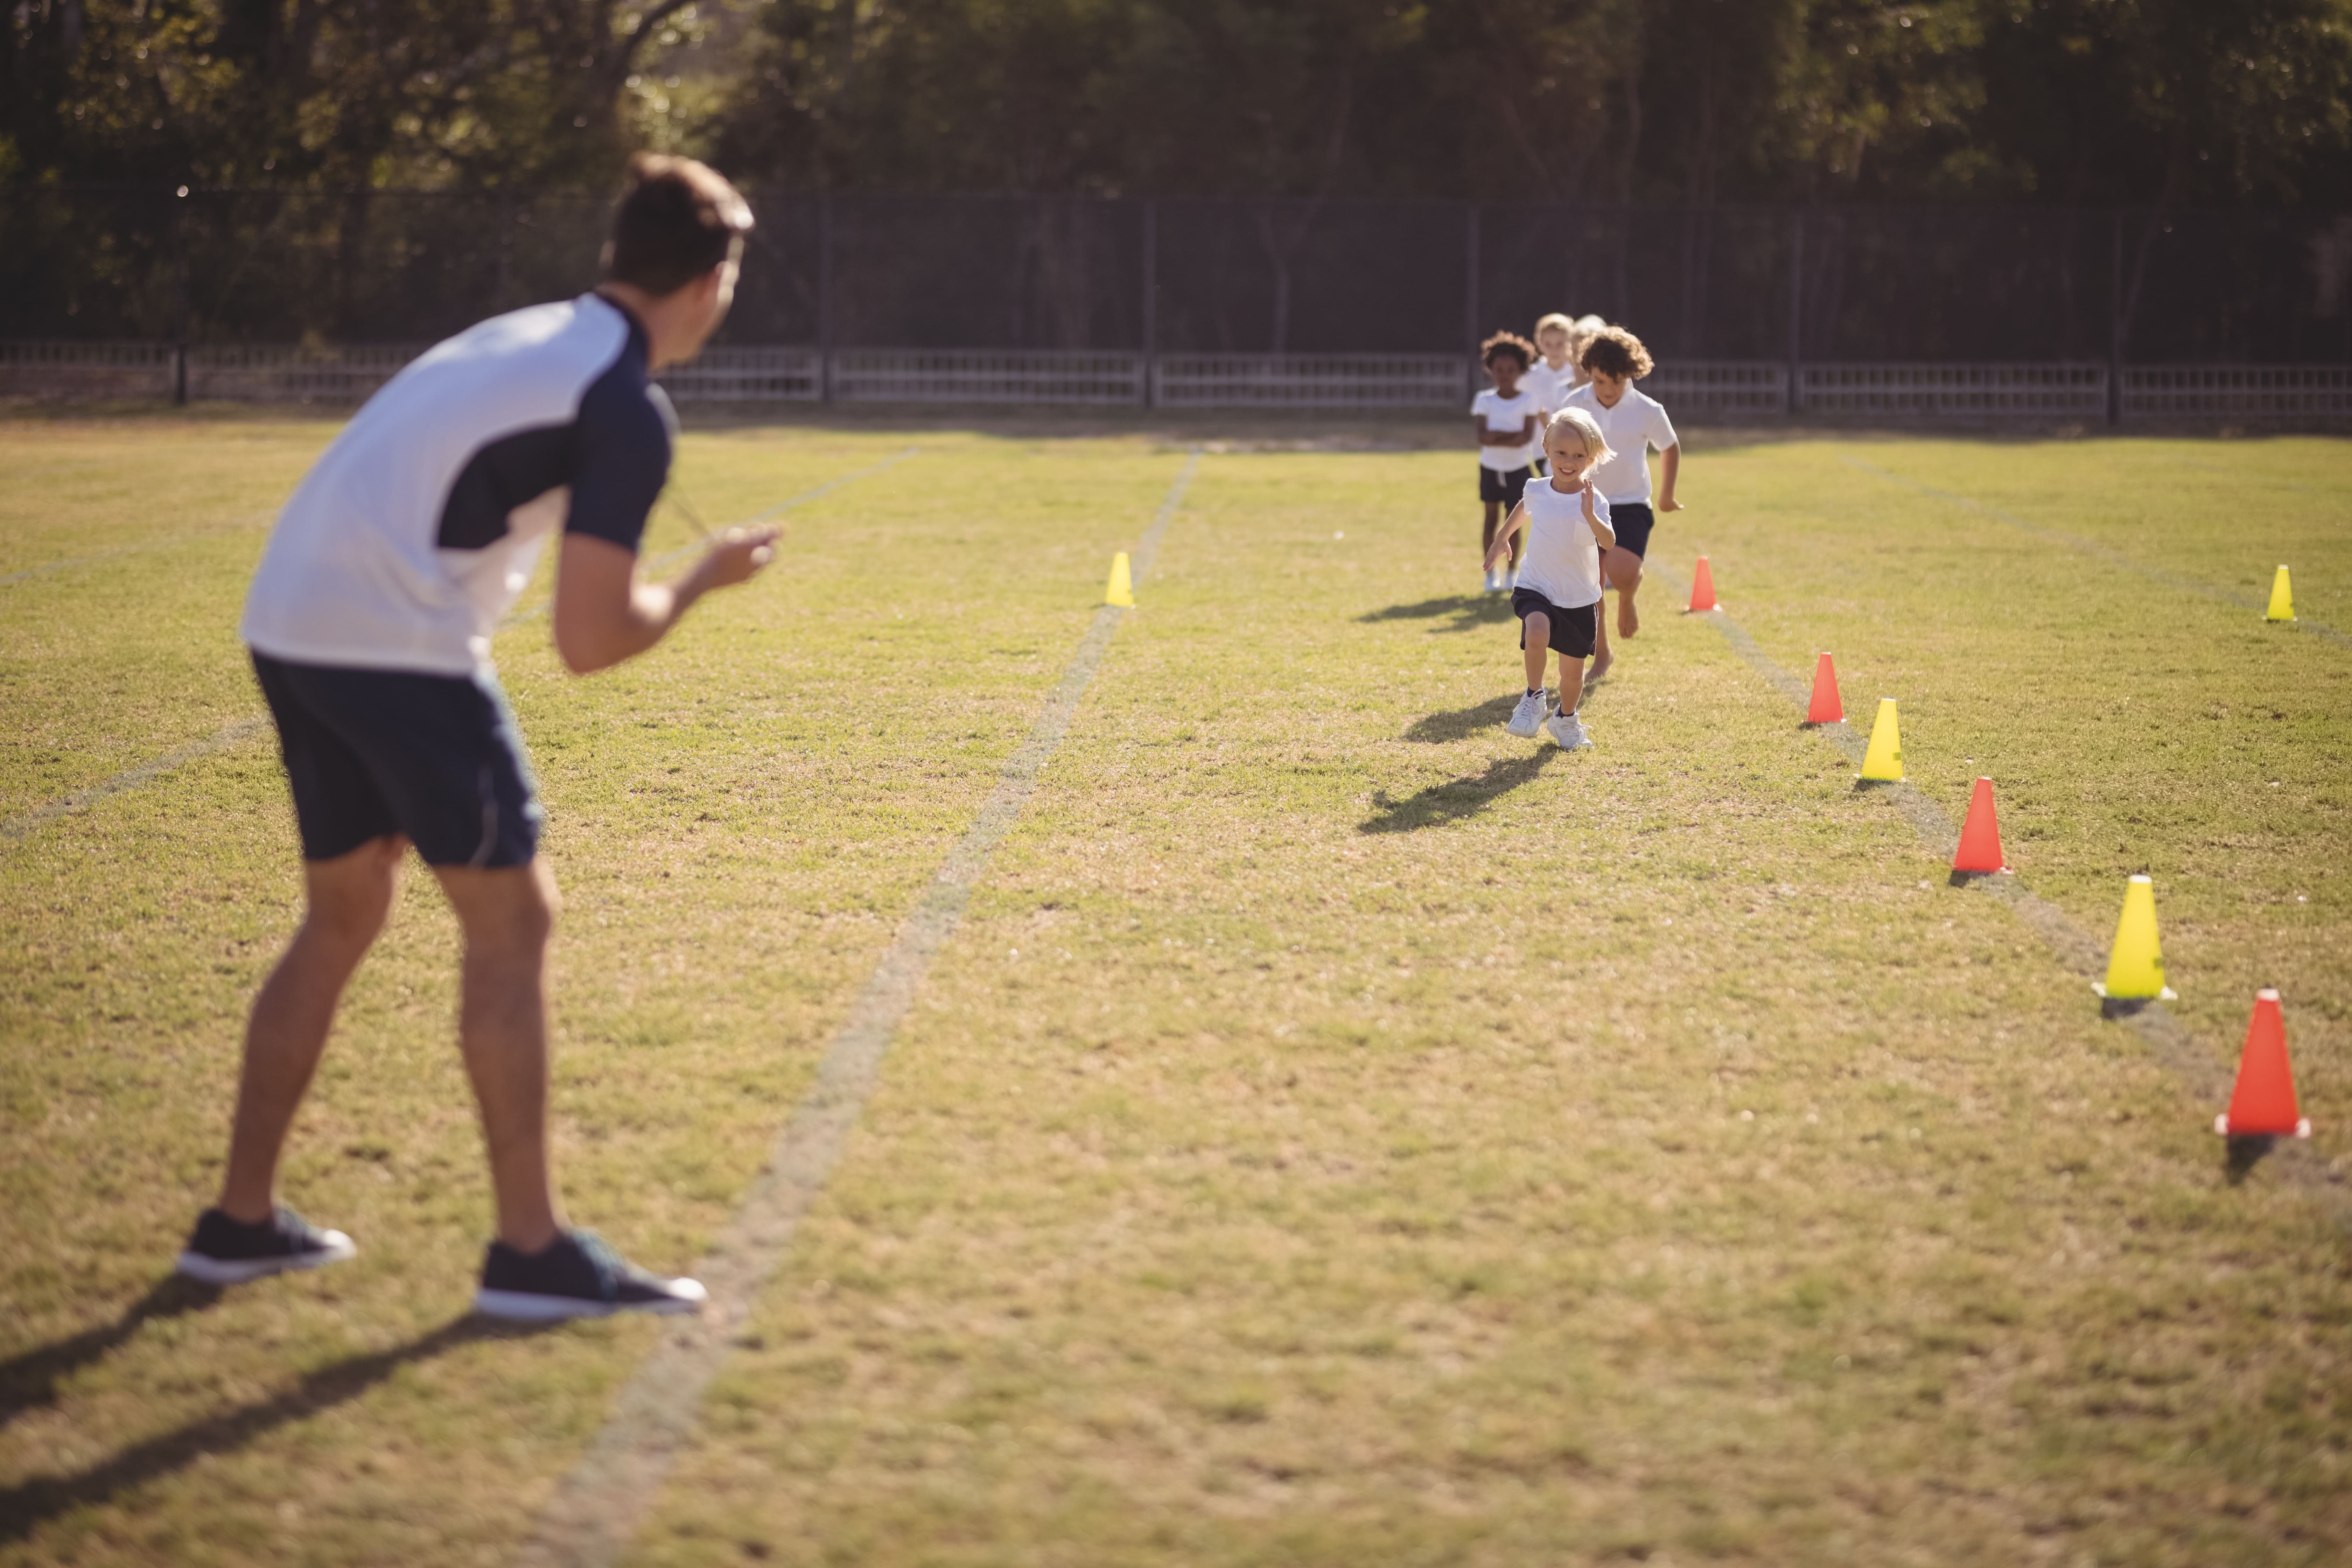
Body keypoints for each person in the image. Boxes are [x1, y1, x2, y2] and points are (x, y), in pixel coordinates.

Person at [175, 153, 775, 1322]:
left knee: (345, 911)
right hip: (391, 641)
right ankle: (530, 1254)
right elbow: (592, 640)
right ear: (711, 283)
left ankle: (238, 1225)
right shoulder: (623, 402)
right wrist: (700, 583)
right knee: (516, 918)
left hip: (289, 618)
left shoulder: (537, 332)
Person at [1483, 408, 1617, 751]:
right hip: (1536, 585)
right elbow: (1523, 507)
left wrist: (1589, 515)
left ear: (1590, 458)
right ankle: (1533, 696)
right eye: (1561, 453)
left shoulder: (1594, 500)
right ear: (1546, 448)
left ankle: (1566, 718)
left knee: (1573, 676)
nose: (1569, 462)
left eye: (1578, 456)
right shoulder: (1538, 489)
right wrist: (1502, 538)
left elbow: (1609, 542)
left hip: (1578, 597)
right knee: (1537, 630)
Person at [1564, 325, 1681, 681]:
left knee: (1624, 571)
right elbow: (1557, 448)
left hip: (1631, 504)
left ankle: (1628, 598)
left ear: (1631, 374)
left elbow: (1670, 447)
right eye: (1600, 381)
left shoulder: (1648, 409)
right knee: (1592, 585)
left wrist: (1666, 495)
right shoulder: (1574, 404)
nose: (1608, 390)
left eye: (1616, 381)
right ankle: (1602, 655)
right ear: (1590, 374)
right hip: (1587, 503)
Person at [1471, 331, 1544, 595]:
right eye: (1499, 369)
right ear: (1491, 369)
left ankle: (1513, 574)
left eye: (1511, 370)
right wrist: (1506, 437)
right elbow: (1483, 437)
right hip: (1490, 469)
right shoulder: (1484, 400)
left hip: (1518, 471)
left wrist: (1497, 436)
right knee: (1491, 519)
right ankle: (1491, 575)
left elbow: (1524, 438)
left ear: (1520, 371)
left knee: (1514, 522)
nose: (1505, 374)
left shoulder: (1528, 400)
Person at [1524, 312, 1580, 419]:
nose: (1554, 350)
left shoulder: (1576, 375)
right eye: (1548, 344)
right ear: (1539, 343)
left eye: (1560, 344)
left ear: (1570, 343)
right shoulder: (1529, 377)